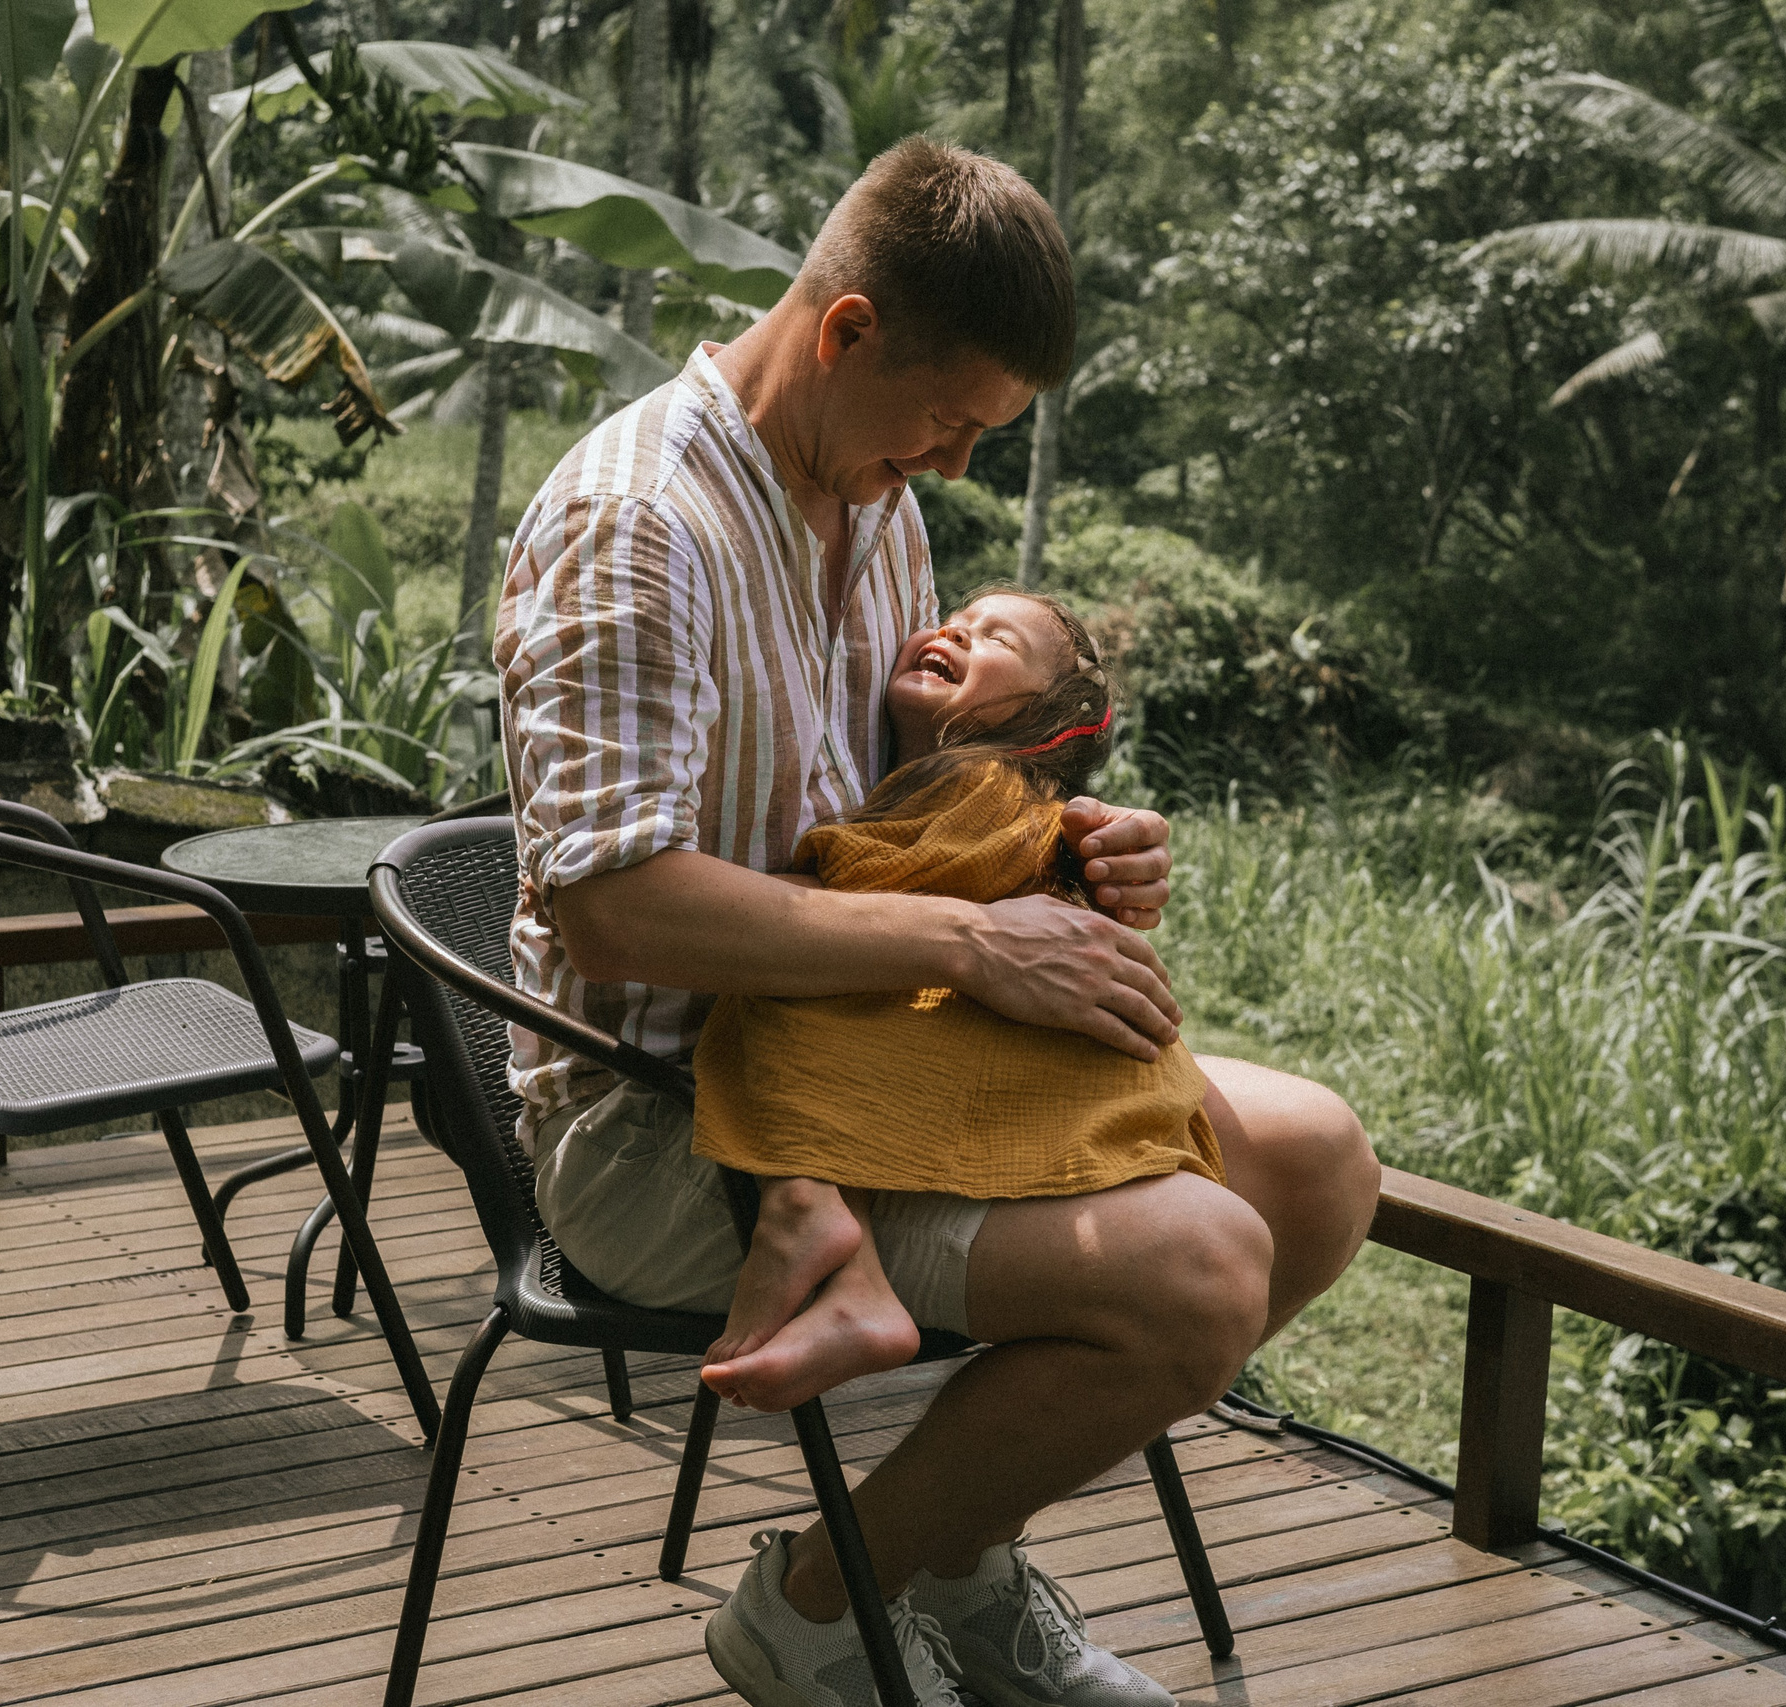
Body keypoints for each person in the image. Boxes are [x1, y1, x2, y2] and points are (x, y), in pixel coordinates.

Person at [497, 136, 1383, 1707]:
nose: (957, 469)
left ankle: (953, 1556)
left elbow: (898, 810)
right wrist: (976, 946)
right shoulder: (640, 527)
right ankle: (819, 1601)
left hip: (882, 1051)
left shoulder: (870, 503)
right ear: (845, 334)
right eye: (949, 421)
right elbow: (616, 908)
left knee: (1315, 1165)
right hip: (674, 1121)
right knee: (1194, 1272)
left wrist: (1066, 849)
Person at [693, 588, 1226, 1416]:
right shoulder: (971, 789)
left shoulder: (981, 784)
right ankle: (846, 1265)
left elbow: (865, 892)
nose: (952, 631)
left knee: (782, 981)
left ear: (1045, 720)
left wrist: (743, 894)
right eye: (955, 620)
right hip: (1025, 1056)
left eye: (994, 637)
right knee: (815, 988)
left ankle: (807, 1209)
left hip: (1017, 1066)